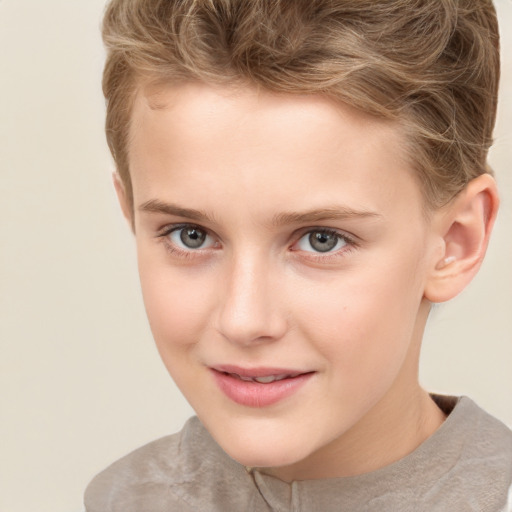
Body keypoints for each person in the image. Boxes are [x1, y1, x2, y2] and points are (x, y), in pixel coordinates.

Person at [85, 0, 512, 510]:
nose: (244, 321)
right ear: (131, 215)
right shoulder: (120, 498)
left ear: (456, 242)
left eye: (320, 240)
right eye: (190, 235)